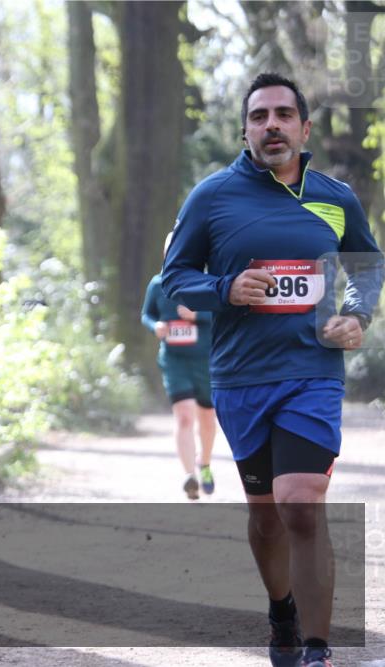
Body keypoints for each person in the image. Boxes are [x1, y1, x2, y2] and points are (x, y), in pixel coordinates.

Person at [162, 72, 383, 667]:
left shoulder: (335, 197)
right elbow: (173, 280)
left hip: (313, 371)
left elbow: (365, 263)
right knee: (266, 518)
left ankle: (316, 647)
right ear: (246, 130)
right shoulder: (211, 197)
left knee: (300, 501)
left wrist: (357, 314)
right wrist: (226, 288)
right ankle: (280, 611)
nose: (272, 125)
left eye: (284, 114)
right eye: (260, 116)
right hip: (240, 377)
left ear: (304, 128)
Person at [141, 233, 216, 500]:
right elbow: (146, 314)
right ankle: (189, 476)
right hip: (174, 360)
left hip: (205, 359)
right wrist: (156, 327)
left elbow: (223, 311)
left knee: (207, 419)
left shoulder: (204, 283)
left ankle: (204, 463)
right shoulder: (157, 284)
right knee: (184, 416)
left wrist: (200, 314)